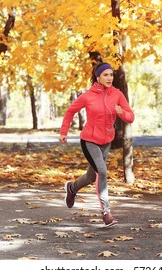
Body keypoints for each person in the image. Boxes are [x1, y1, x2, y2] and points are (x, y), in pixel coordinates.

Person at [59, 62, 135, 227]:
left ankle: (72, 188)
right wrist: (64, 132)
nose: (109, 78)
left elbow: (131, 116)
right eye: (105, 75)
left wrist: (122, 113)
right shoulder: (88, 95)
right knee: (102, 171)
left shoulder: (117, 94)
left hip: (106, 142)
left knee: (92, 176)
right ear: (98, 77)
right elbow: (71, 110)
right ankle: (106, 212)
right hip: (89, 141)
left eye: (111, 75)